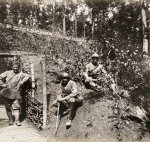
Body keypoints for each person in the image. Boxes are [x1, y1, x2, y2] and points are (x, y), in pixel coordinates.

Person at [0, 61, 31, 126]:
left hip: (16, 92)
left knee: (16, 106)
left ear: (19, 68)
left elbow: (28, 76)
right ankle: (11, 120)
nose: (16, 69)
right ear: (12, 67)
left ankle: (17, 120)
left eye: (17, 67)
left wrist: (21, 82)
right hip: (6, 91)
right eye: (14, 67)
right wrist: (3, 84)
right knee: (8, 106)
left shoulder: (21, 74)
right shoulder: (7, 73)